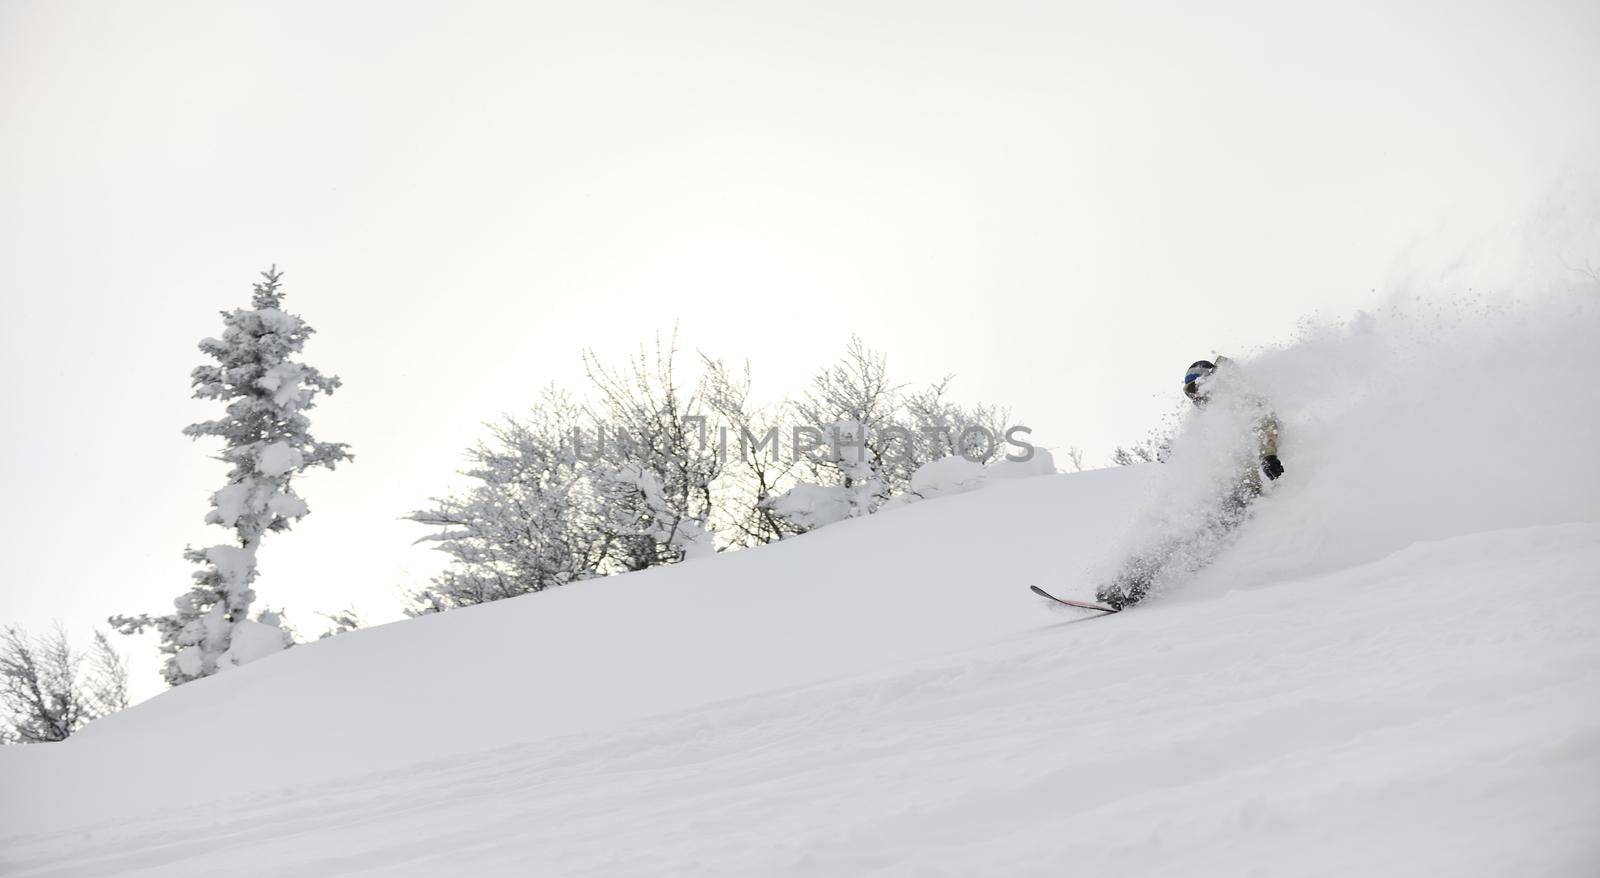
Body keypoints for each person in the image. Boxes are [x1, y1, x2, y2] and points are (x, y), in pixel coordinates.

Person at [1095, 356, 1284, 609]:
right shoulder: (1205, 417)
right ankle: (1127, 583)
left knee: (1184, 535)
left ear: (1212, 384)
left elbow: (1266, 424)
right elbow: (1200, 450)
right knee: (1168, 528)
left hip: (1241, 491)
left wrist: (1268, 455)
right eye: (1191, 393)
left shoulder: (1240, 400)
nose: (1197, 398)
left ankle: (1135, 584)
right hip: (1212, 491)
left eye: (1199, 389)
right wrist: (1175, 453)